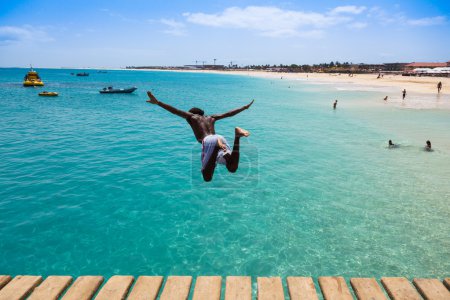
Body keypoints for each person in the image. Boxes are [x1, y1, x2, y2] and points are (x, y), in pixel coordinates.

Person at [146, 91, 254, 182]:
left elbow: (175, 111)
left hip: (209, 141)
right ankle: (237, 136)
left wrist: (158, 103)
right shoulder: (211, 117)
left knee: (207, 177)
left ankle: (217, 147)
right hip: (219, 138)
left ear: (193, 113)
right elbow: (228, 114)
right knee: (232, 167)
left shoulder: (192, 116)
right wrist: (244, 107)